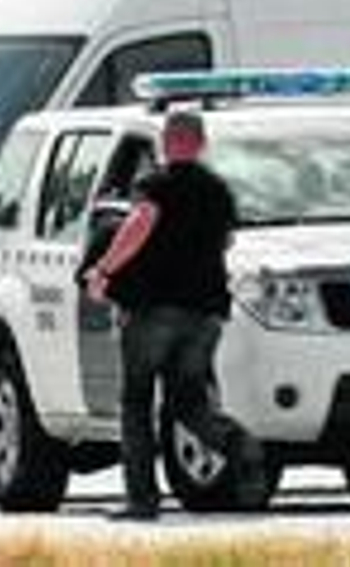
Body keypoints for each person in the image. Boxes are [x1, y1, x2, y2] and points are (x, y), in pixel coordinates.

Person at [83, 107, 238, 521]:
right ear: (202, 143)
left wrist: (103, 269)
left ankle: (142, 501)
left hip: (154, 311)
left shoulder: (154, 184)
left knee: (137, 402)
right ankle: (239, 444)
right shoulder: (219, 191)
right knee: (188, 401)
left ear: (166, 143)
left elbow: (141, 222)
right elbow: (227, 242)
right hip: (206, 314)